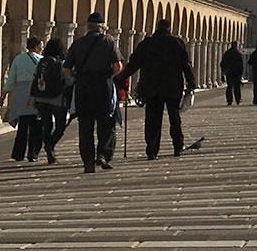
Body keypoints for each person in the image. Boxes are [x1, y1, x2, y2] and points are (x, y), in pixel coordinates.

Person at [118, 17, 197, 160]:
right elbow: (186, 64)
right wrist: (191, 83)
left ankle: (152, 150)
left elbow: (133, 64)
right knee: (174, 117)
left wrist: (120, 78)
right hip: (172, 86)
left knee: (152, 119)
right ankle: (178, 146)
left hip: (151, 86)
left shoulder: (147, 44)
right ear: (169, 29)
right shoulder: (177, 43)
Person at [65, 12, 123, 172]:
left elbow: (67, 69)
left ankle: (88, 162)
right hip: (103, 86)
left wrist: (77, 77)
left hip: (83, 87)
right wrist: (109, 76)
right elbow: (118, 66)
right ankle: (103, 155)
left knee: (85, 127)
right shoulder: (108, 42)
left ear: (87, 27)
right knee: (107, 123)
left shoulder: (78, 43)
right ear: (102, 26)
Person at [30, 39, 71, 164]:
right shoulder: (60, 63)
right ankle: (50, 145)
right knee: (60, 126)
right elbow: (68, 80)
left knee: (46, 125)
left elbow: (36, 77)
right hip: (57, 99)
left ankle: (48, 145)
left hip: (41, 98)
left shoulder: (42, 62)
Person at [5, 37, 44, 163]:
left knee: (23, 125)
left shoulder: (18, 59)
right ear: (37, 46)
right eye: (41, 46)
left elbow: (11, 79)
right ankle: (32, 153)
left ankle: (18, 154)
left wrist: (3, 95)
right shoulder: (41, 60)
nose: (42, 48)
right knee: (36, 126)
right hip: (35, 93)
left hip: (20, 94)